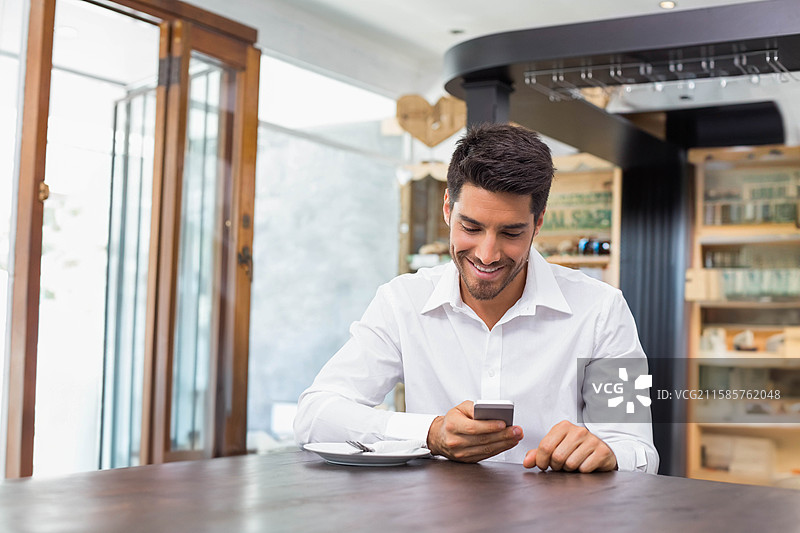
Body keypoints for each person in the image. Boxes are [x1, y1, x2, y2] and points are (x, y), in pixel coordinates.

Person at [294, 123, 659, 473]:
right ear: (448, 209)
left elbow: (640, 452)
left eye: (511, 232)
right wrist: (430, 433)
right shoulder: (401, 302)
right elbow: (315, 415)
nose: (487, 254)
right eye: (471, 228)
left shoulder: (602, 309)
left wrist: (608, 452)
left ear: (538, 222)